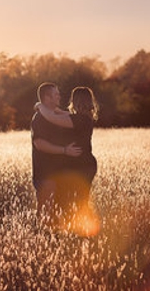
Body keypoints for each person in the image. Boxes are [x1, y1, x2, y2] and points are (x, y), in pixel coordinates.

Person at [35, 86, 100, 235]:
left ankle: (85, 230)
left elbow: (52, 118)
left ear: (76, 101)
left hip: (82, 166)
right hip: (85, 164)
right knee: (77, 199)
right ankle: (80, 229)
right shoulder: (83, 118)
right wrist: (53, 109)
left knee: (79, 200)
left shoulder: (78, 120)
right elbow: (62, 113)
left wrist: (40, 106)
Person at [31, 82, 82, 224]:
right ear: (47, 98)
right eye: (56, 94)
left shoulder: (55, 115)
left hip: (59, 172)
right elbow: (39, 144)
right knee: (44, 212)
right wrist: (65, 150)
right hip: (45, 172)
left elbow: (77, 117)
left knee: (57, 213)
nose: (59, 96)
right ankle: (39, 238)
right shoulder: (39, 119)